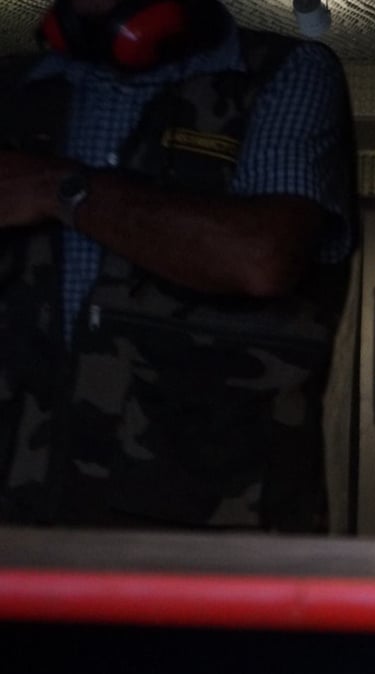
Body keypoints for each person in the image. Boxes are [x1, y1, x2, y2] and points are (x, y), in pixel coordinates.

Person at [0, 0, 356, 532]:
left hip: (210, 526)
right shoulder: (13, 91)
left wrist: (59, 189)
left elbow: (261, 257)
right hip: (18, 519)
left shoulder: (283, 74)